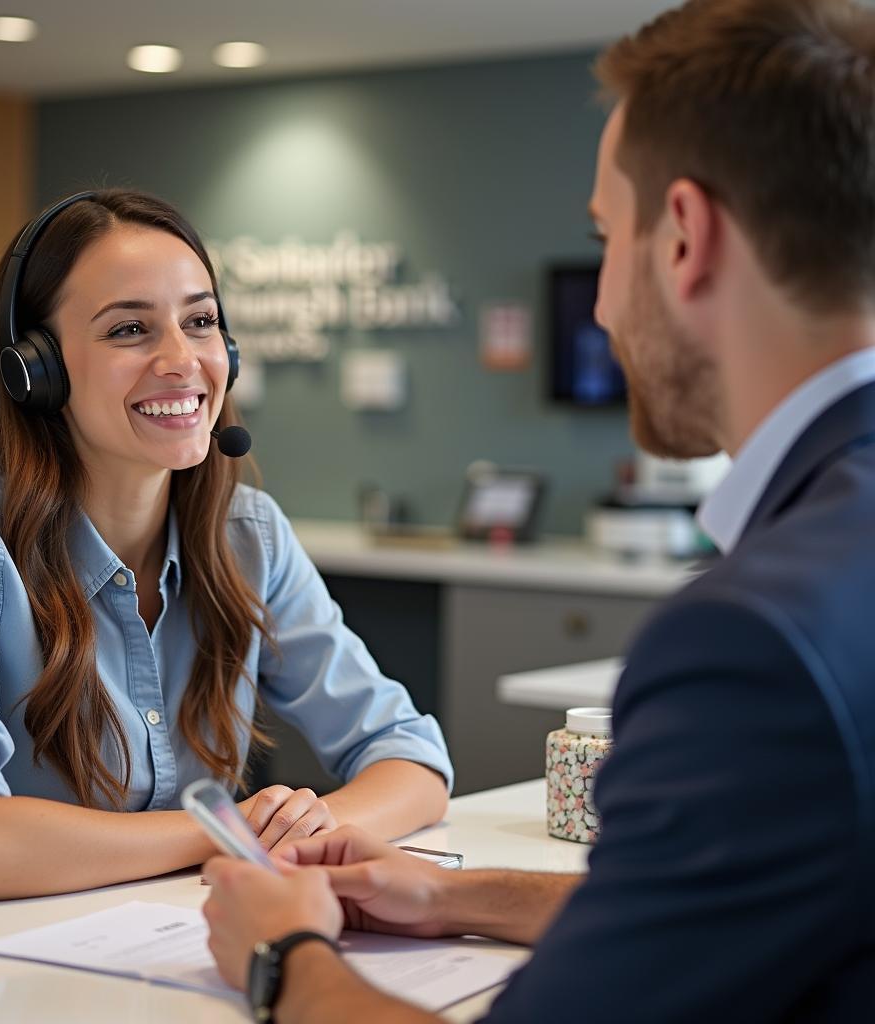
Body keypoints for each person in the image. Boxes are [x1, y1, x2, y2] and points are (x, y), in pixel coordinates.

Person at [200, 0, 875, 1019]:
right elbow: (759, 904)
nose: (601, 304)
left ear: (683, 236)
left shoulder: (755, 639)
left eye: (605, 237)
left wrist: (282, 954)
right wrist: (451, 891)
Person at [0, 189, 452, 908]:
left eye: (200, 321)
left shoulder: (246, 532)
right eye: (130, 330)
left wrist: (309, 826)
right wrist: (221, 834)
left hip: (153, 945)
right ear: (36, 369)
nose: (182, 360)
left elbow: (412, 759)